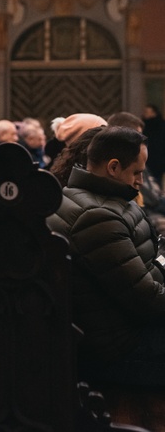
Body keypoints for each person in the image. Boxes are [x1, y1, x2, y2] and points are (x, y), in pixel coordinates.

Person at [47, 126, 165, 386]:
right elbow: (150, 302)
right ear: (113, 167)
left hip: (120, 333)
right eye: (136, 172)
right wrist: (162, 257)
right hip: (119, 353)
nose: (141, 182)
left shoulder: (91, 199)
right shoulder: (98, 217)